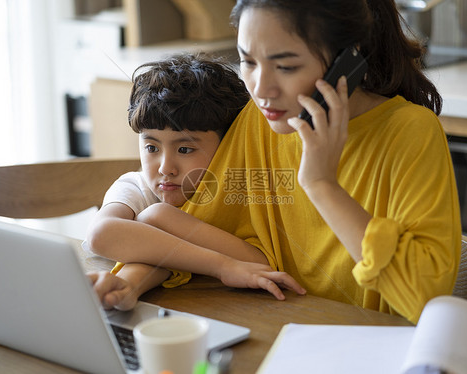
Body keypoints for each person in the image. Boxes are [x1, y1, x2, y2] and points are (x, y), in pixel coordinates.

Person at [92, 0, 461, 324]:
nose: (261, 89)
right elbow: (186, 233)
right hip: (279, 325)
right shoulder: (263, 119)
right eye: (248, 62)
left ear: (348, 59)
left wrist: (322, 185)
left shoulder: (410, 132)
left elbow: (422, 300)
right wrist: (129, 283)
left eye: (285, 66)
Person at [87, 53, 306, 310]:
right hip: (194, 311)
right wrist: (128, 285)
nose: (165, 168)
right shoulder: (137, 187)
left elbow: (260, 265)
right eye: (151, 147)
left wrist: (160, 220)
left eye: (184, 150)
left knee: (156, 216)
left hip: (252, 311)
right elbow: (101, 235)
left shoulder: (240, 192)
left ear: (228, 148)